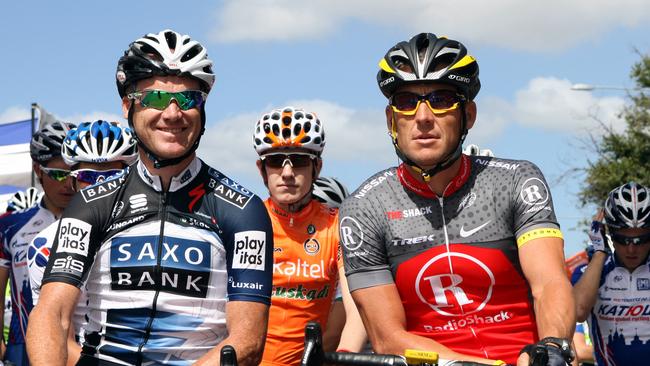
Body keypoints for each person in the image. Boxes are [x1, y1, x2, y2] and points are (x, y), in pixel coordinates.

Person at [27, 29, 274, 366]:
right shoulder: (90, 204)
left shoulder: (242, 210)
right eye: (156, 98)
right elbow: (52, 315)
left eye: (188, 99)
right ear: (128, 105)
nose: (173, 113)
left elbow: (247, 341)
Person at [338, 32, 575, 365]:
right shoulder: (366, 207)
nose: (423, 117)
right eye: (406, 102)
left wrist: (552, 346)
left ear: (469, 115)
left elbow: (550, 282)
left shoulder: (514, 181)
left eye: (441, 99)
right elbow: (386, 337)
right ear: (391, 120)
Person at [27, 120, 138, 365]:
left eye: (113, 175)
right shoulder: (46, 243)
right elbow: (56, 331)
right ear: (73, 180)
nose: (101, 185)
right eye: (88, 176)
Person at [252, 107, 347, 365]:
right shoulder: (245, 221)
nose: (287, 173)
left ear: (317, 167)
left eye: (299, 160)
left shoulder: (338, 225)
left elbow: (353, 308)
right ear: (262, 169)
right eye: (274, 161)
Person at [0, 121, 75, 366]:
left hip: (84, 346)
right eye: (58, 174)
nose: (67, 184)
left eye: (73, 174)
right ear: (38, 170)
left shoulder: (102, 219)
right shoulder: (9, 226)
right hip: (24, 349)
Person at [573, 182, 650, 366]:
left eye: (641, 239)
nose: (631, 248)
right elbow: (577, 312)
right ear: (609, 233)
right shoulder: (591, 272)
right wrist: (599, 253)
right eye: (622, 239)